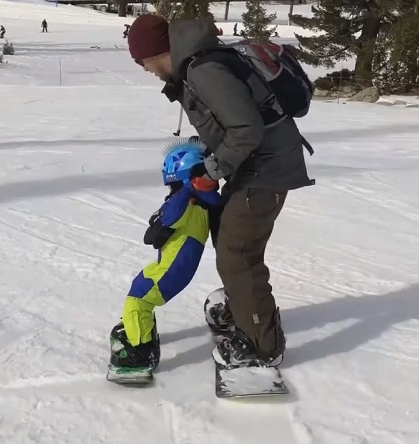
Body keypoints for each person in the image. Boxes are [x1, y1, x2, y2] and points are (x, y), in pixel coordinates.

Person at [126, 14, 314, 369]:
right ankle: (243, 309)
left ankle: (262, 346)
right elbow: (231, 123)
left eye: (144, 61)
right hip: (256, 166)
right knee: (227, 233)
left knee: (237, 254)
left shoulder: (202, 71)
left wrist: (211, 169)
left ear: (157, 52)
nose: (146, 70)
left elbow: (246, 130)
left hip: (266, 170)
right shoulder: (196, 67)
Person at [108, 140, 222, 378]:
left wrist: (161, 221)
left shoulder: (187, 201)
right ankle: (140, 327)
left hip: (172, 270)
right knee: (140, 284)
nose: (170, 190)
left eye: (172, 185)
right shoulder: (200, 201)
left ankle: (139, 351)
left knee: (138, 299)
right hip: (170, 265)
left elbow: (169, 217)